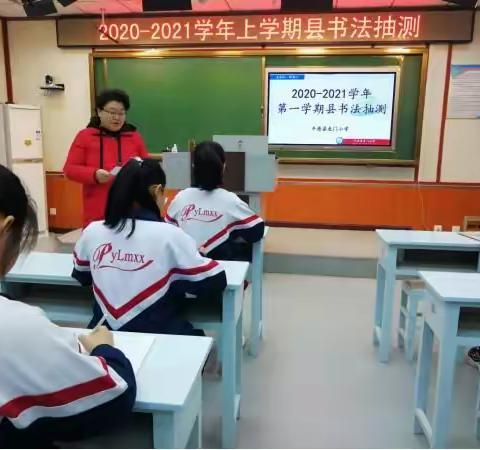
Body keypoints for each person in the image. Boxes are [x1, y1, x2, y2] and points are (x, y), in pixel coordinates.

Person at [0, 165, 136, 448]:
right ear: (5, 229)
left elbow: (81, 273)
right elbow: (113, 396)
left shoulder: (95, 232)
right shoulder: (17, 327)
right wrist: (104, 348)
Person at [72, 158, 226, 335]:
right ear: (157, 190)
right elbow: (214, 282)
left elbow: (82, 275)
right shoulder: (171, 235)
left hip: (104, 335)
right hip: (161, 334)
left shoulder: (93, 231)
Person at [165, 141, 265, 262]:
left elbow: (167, 231)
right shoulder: (230, 201)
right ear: (222, 167)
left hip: (182, 270)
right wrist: (233, 232)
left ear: (193, 166)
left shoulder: (181, 197)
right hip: (221, 271)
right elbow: (257, 231)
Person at [63, 89, 149, 227]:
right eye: (112, 112)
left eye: (121, 113)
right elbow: (69, 170)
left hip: (132, 211)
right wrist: (94, 175)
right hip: (97, 213)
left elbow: (147, 167)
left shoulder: (134, 137)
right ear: (99, 111)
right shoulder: (85, 136)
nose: (117, 117)